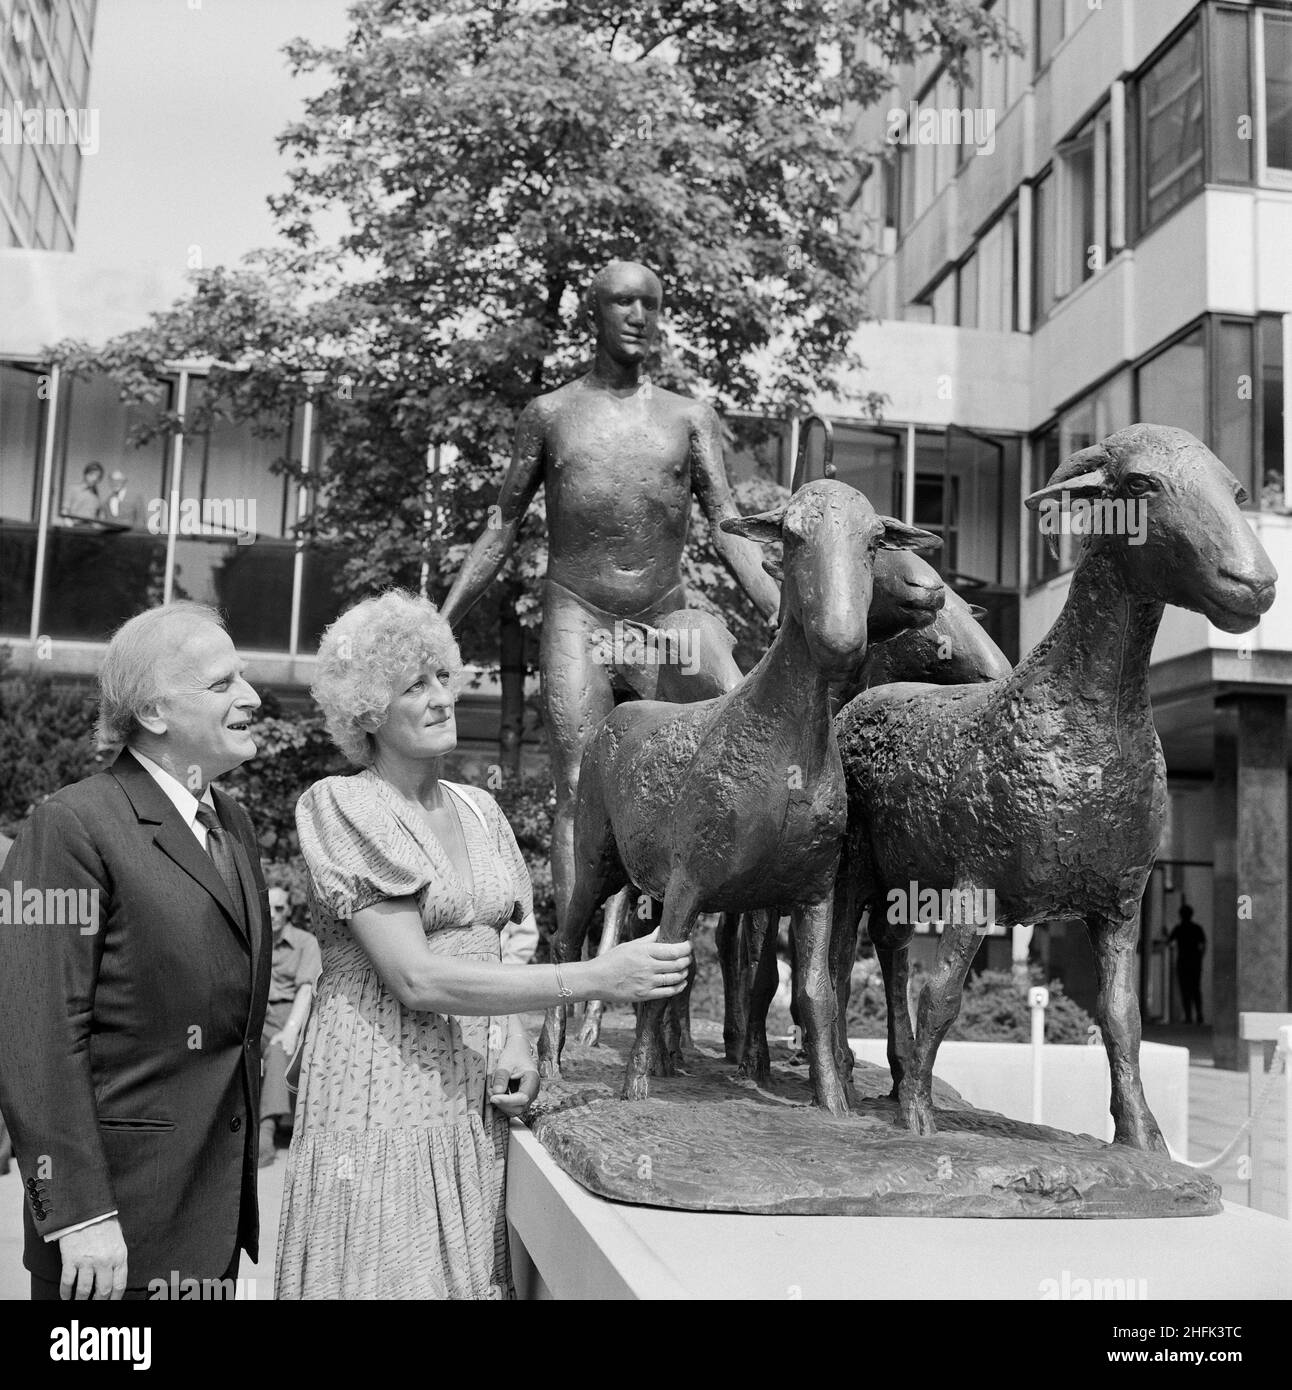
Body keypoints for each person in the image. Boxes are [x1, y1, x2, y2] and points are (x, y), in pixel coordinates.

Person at [274, 589, 692, 1299]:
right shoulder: (344, 805)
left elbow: (508, 944)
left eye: (442, 676)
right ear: (368, 712)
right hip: (380, 1085)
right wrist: (596, 977)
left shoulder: (480, 807)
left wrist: (518, 1040)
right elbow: (417, 979)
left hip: (467, 1089)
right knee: (389, 1272)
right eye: (414, 685)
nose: (441, 697)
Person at [441, 260, 781, 934]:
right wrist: (440, 622)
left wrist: (776, 601)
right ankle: (566, 969)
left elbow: (725, 521)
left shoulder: (689, 417)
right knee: (575, 786)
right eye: (623, 303)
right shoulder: (550, 414)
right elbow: (502, 523)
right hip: (578, 614)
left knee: (694, 774)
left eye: (651, 305)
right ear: (592, 314)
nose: (638, 317)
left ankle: (665, 959)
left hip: (662, 617)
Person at [0, 601, 271, 1300]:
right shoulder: (72, 826)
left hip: (207, 1235)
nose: (251, 697)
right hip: (111, 1244)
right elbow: (33, 1036)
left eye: (243, 677)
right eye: (222, 684)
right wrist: (79, 1213)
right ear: (154, 713)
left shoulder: (231, 821)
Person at [258, 884, 321, 1166]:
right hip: (256, 1017)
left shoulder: (306, 942)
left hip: (289, 1015)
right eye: (268, 907)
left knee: (277, 1049)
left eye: (279, 908)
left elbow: (306, 990)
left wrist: (291, 1030)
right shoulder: (254, 940)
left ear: (289, 911)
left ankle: (265, 1135)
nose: (272, 914)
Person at [1168, 903, 1207, 1025]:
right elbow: (1203, 945)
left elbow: (1170, 943)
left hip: (1183, 962)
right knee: (1196, 989)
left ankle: (1189, 1016)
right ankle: (1199, 1015)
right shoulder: (1197, 928)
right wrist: (1200, 957)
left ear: (1181, 915)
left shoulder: (1178, 929)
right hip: (1195, 962)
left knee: (1185, 990)